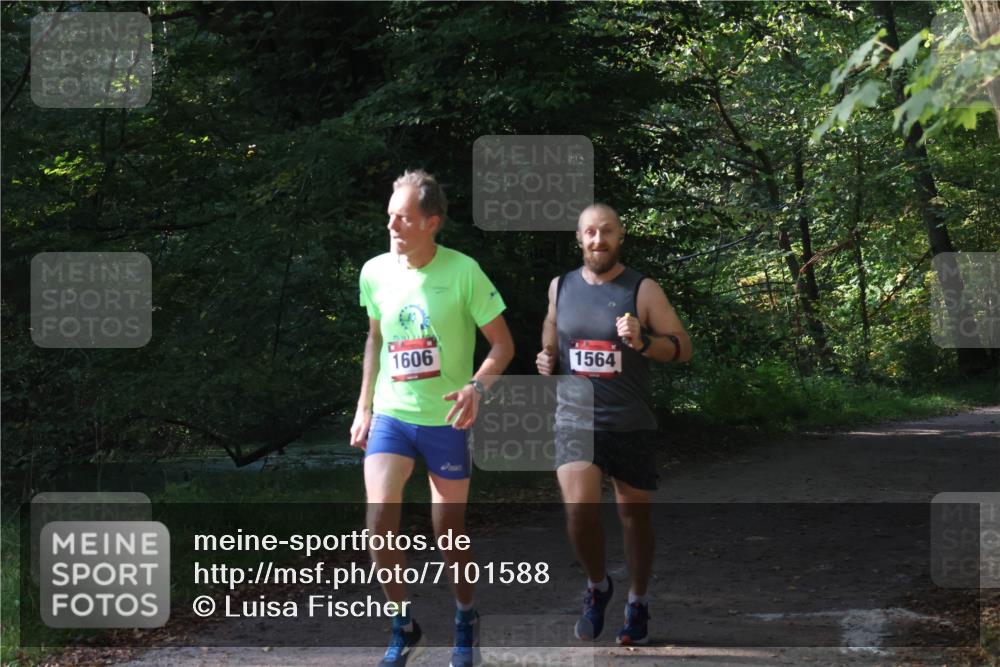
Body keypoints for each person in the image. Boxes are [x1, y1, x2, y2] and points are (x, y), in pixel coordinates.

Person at [350, 170, 514, 667]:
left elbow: (503, 345)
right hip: (392, 416)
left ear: (432, 223)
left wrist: (475, 386)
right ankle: (403, 623)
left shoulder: (464, 271)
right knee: (378, 521)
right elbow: (375, 339)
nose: (393, 226)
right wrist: (363, 406)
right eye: (390, 217)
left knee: (450, 535)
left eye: (403, 218)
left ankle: (465, 617)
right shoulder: (375, 271)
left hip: (446, 421)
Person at [536, 203, 692, 646]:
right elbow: (552, 326)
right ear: (579, 238)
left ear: (620, 236)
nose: (597, 240)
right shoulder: (560, 286)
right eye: (589, 232)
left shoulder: (641, 288)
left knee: (633, 517)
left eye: (606, 232)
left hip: (629, 421)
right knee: (578, 513)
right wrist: (547, 354)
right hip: (574, 420)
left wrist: (643, 341)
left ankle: (637, 601)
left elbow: (682, 348)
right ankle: (597, 584)